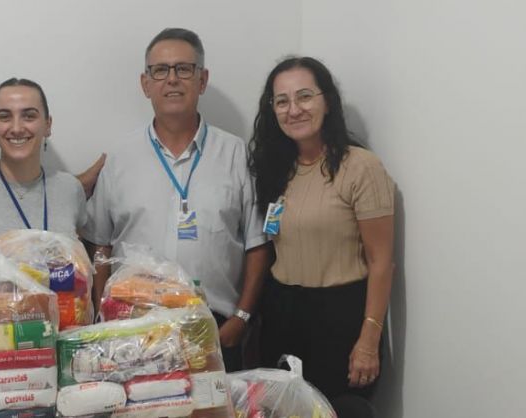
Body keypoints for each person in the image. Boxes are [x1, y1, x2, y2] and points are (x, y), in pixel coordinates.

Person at [82, 28, 270, 372]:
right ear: (145, 83)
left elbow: (256, 245)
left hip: (214, 329)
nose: (172, 79)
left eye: (184, 69)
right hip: (134, 327)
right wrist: (102, 314)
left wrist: (241, 318)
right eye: (160, 70)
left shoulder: (236, 153)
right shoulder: (120, 157)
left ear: (202, 80)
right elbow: (101, 245)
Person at [249, 56, 394, 403]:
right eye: (282, 101)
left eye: (305, 96)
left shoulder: (361, 167)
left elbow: (382, 260)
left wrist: (369, 339)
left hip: (340, 317)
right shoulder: (274, 168)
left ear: (327, 101)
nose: (293, 109)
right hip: (281, 311)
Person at [0, 78, 87, 249]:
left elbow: (81, 260)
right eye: (4, 116)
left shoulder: (70, 189)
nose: (16, 128)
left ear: (47, 125)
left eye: (29, 116)